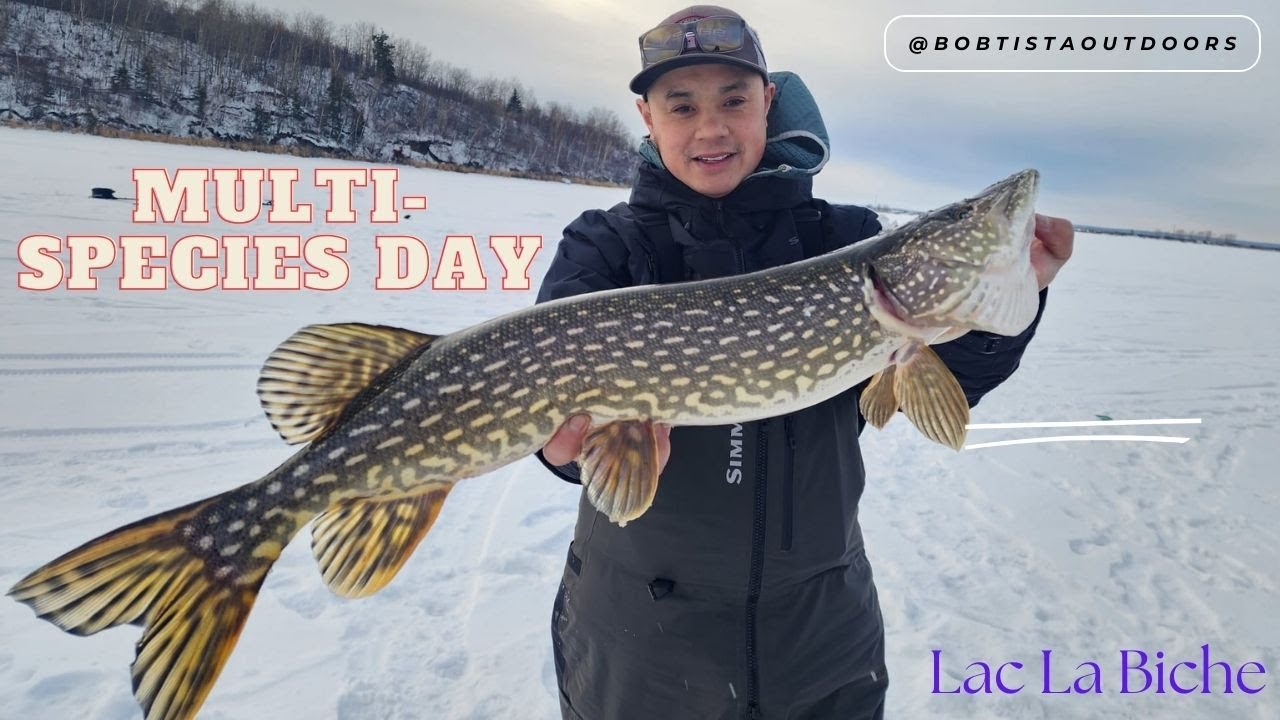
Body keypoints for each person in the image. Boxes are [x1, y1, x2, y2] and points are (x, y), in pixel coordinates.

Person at [535, 6, 1074, 719]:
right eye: (683, 106)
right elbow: (550, 423)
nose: (711, 130)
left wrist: (1011, 298)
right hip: (640, 637)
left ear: (768, 101)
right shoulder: (604, 247)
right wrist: (568, 451)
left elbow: (954, 383)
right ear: (648, 117)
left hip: (823, 631)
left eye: (734, 101)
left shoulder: (845, 240)